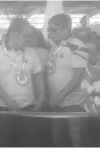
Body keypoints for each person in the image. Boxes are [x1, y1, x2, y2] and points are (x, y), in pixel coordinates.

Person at [0, 18, 45, 146]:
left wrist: (40, 98)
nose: (29, 40)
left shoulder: (31, 52)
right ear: (14, 34)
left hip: (28, 107)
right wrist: (7, 100)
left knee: (27, 142)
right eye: (26, 36)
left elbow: (38, 76)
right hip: (2, 108)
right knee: (3, 142)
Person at [47, 14, 88, 147]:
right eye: (49, 29)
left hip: (73, 104)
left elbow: (78, 76)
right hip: (56, 102)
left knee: (75, 139)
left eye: (54, 30)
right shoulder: (55, 46)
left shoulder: (77, 46)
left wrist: (62, 94)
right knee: (57, 139)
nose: (49, 33)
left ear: (66, 29)